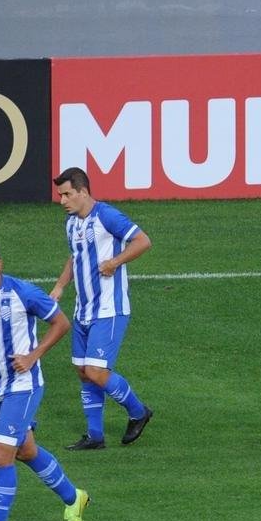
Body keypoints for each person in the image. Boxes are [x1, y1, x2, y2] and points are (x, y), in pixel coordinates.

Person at [0, 240, 89, 521]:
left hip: (23, 386)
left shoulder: (23, 293)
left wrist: (33, 355)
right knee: (26, 450)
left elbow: (61, 323)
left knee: (2, 456)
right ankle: (74, 498)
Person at [51, 166, 154, 451]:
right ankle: (95, 436)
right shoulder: (72, 223)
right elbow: (75, 256)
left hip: (109, 309)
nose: (62, 201)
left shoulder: (106, 216)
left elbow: (143, 240)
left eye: (67, 194)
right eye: (60, 195)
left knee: (96, 371)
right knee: (83, 371)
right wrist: (60, 286)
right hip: (83, 310)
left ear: (83, 192)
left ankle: (138, 411)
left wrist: (115, 262)